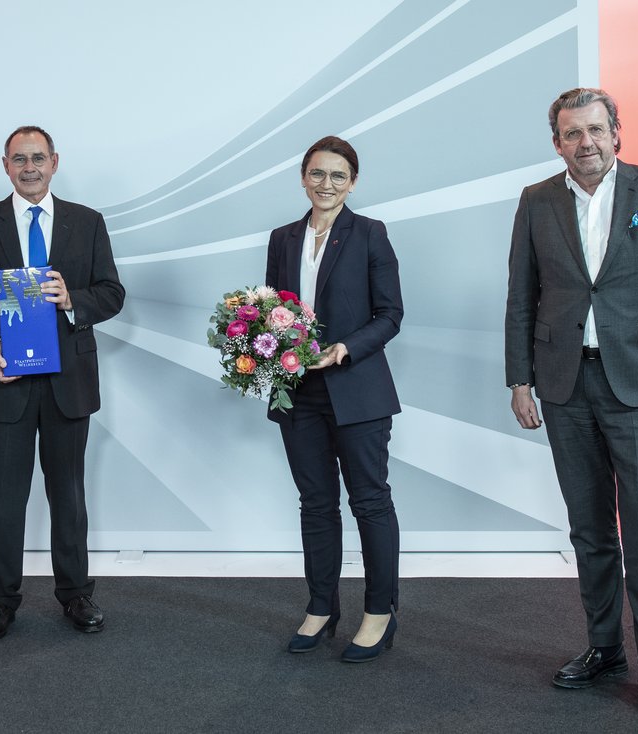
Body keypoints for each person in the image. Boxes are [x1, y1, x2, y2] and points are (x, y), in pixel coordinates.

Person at [505, 88, 638, 726]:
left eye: (595, 130)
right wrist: (519, 380)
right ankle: (603, 647)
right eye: (571, 134)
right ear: (557, 141)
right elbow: (522, 295)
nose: (584, 143)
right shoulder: (537, 200)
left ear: (616, 133)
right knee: (589, 527)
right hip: (564, 385)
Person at [0, 126, 125, 642]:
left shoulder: (87, 223)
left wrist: (72, 300)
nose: (29, 168)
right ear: (5, 165)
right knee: (4, 499)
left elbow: (113, 293)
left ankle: (76, 595)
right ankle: (0, 602)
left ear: (55, 161)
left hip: (69, 381)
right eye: (19, 159)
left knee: (68, 494)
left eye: (38, 158)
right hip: (5, 380)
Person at [266, 135, 403, 662]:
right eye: (317, 174)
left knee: (369, 502)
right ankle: (321, 608)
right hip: (298, 393)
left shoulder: (370, 234)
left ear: (353, 183)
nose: (326, 184)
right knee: (316, 504)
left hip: (358, 391)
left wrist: (345, 348)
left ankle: (379, 613)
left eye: (338, 176)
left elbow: (391, 314)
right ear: (303, 178)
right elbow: (272, 309)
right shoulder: (282, 239)